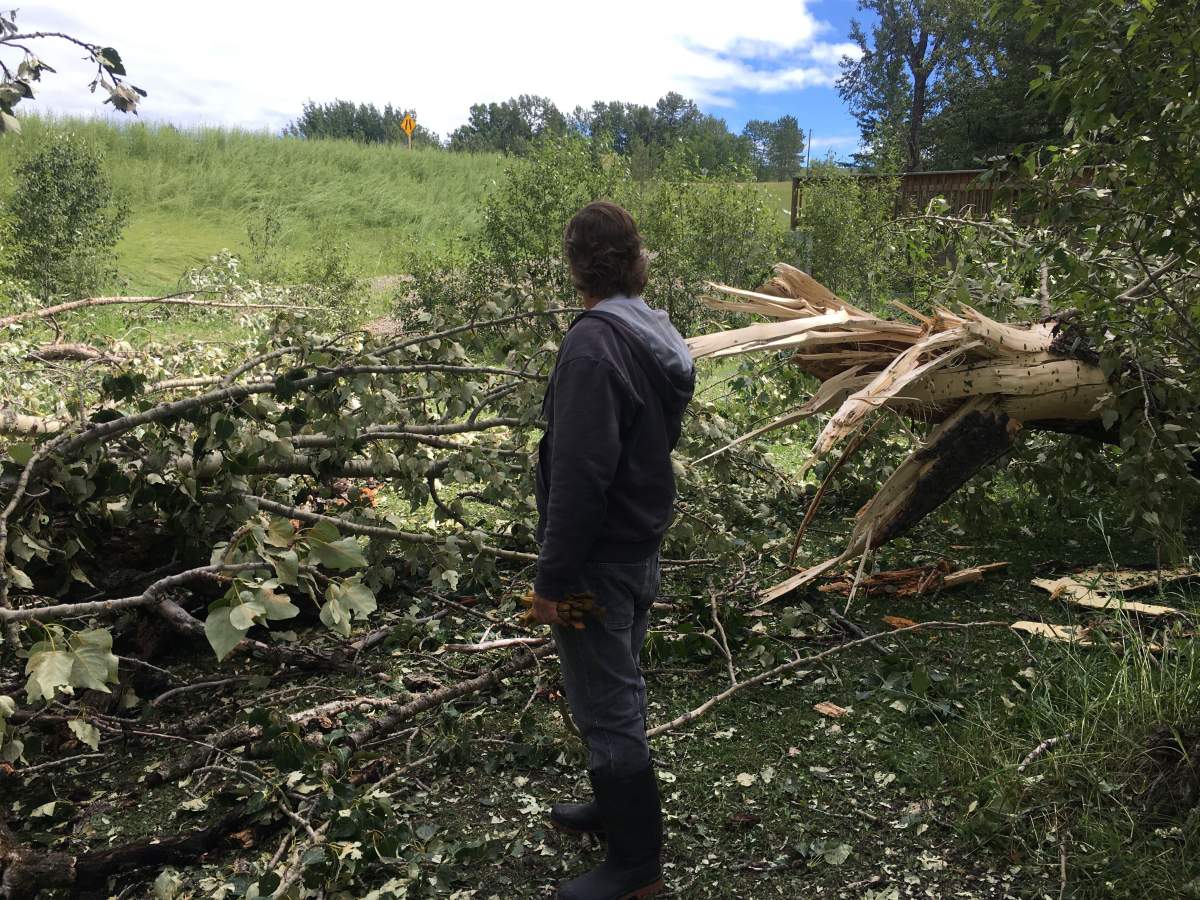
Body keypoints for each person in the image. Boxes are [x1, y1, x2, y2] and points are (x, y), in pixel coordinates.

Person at [529, 201, 695, 899]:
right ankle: (613, 807)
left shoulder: (594, 346)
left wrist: (552, 577)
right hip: (638, 540)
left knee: (606, 704)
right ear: (637, 260)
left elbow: (579, 476)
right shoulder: (653, 333)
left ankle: (636, 870)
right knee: (617, 677)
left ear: (575, 267)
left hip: (599, 555)